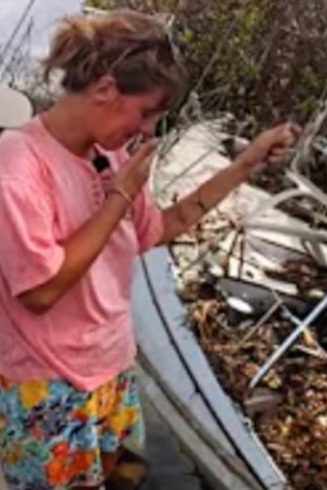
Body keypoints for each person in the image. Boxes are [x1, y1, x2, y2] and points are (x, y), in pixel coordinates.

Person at [0, 10, 298, 490]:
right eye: (147, 113)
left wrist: (246, 164)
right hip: (49, 385)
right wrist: (118, 196)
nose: (147, 130)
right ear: (104, 89)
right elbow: (40, 290)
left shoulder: (111, 157)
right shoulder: (19, 167)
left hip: (112, 367)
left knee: (125, 478)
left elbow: (162, 227)